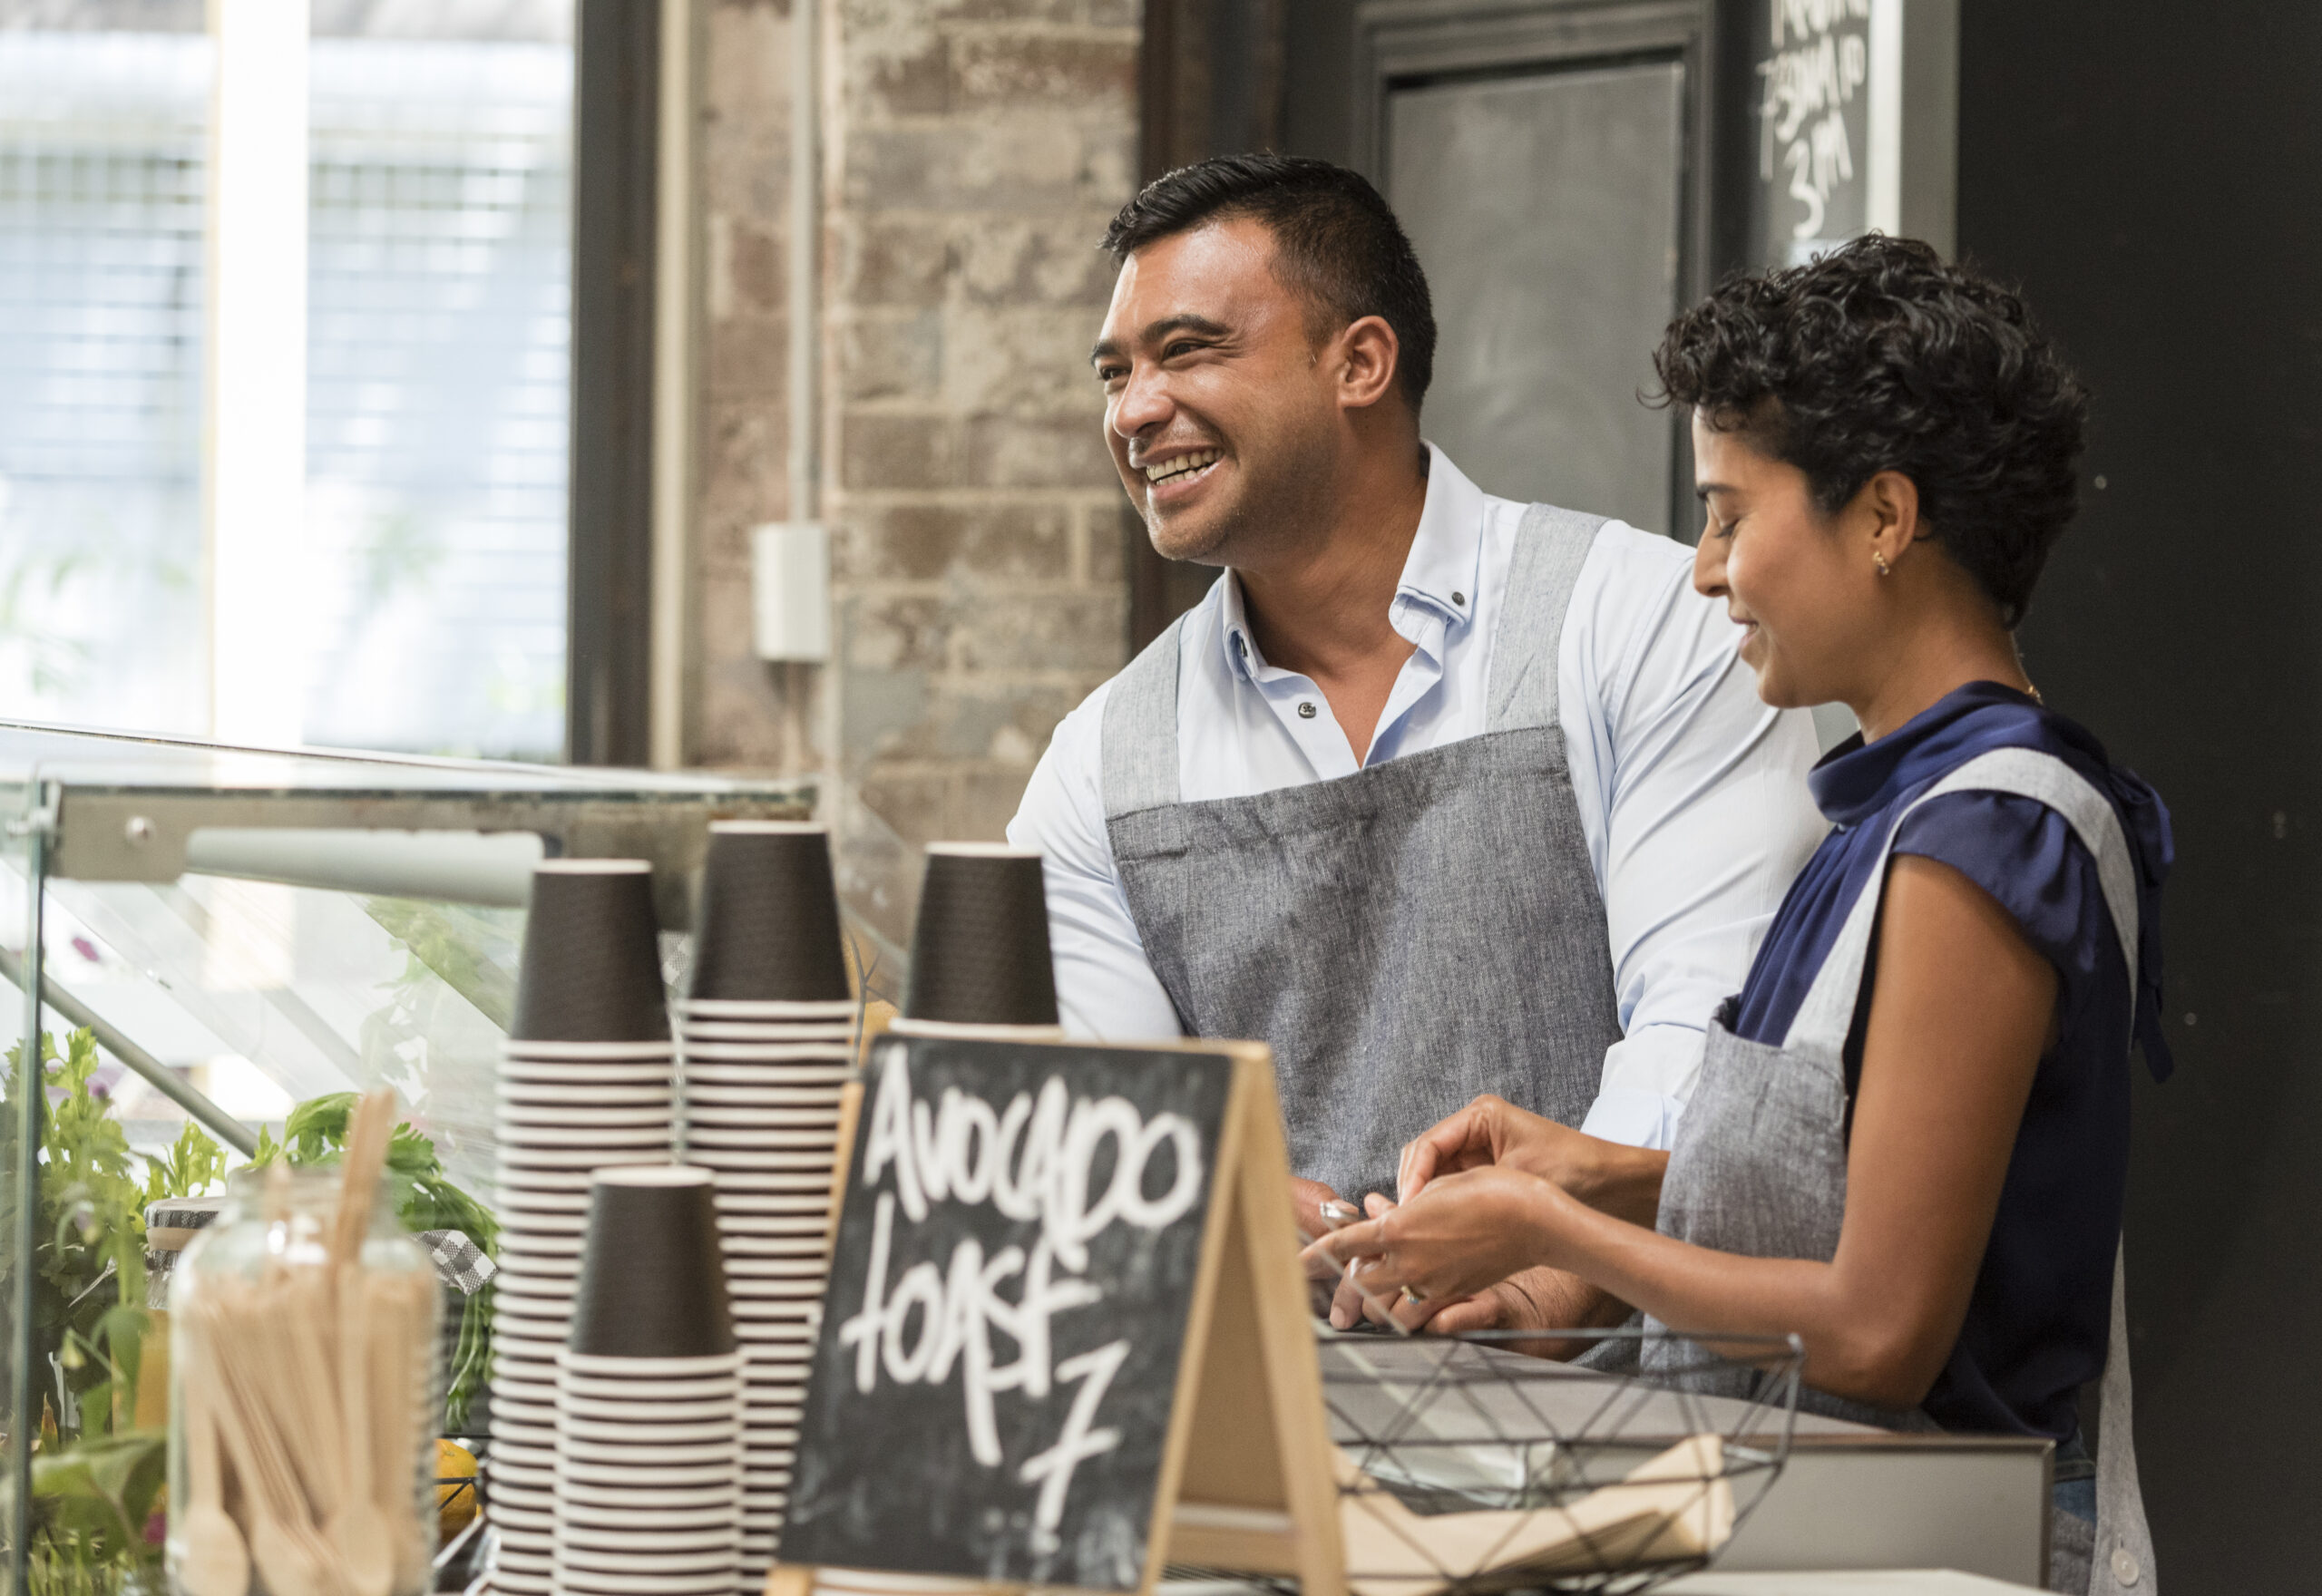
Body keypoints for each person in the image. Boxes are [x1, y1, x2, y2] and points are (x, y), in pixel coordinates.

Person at [1305, 236, 2171, 1596]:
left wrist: (1553, 1237)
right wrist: (1589, 1170)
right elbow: (1902, 1192)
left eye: (1728, 514)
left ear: (1884, 519)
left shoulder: (1977, 839)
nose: (1706, 572)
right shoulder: (1906, 813)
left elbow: (1880, 1328)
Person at [1005, 152, 1828, 1344]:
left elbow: (1718, 1031)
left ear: (1361, 362)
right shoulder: (1102, 763)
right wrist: (1201, 1209)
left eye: (1187, 351)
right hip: (1272, 1471)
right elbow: (1081, 1132)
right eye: (1116, 372)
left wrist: (1559, 1272)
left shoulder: (1640, 621)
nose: (1133, 411)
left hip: (1647, 1458)